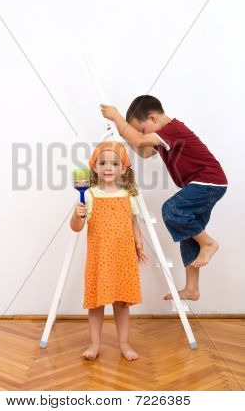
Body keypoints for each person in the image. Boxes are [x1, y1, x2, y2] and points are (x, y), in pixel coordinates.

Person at [100, 96, 227, 302]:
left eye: (141, 129)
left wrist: (117, 118)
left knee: (171, 209)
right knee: (187, 236)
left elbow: (141, 140)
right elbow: (144, 151)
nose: (140, 134)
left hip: (209, 182)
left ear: (152, 118)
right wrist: (125, 134)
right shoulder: (161, 138)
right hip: (203, 185)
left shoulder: (172, 129)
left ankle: (209, 244)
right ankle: (192, 289)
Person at [70, 141, 148, 360]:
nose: (108, 167)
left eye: (114, 163)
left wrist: (139, 245)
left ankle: (124, 344)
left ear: (123, 168)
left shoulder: (128, 196)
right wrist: (78, 215)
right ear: (93, 166)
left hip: (123, 258)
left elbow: (134, 224)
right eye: (102, 162)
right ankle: (94, 345)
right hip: (99, 258)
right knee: (96, 304)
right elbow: (77, 227)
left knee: (122, 304)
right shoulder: (90, 196)